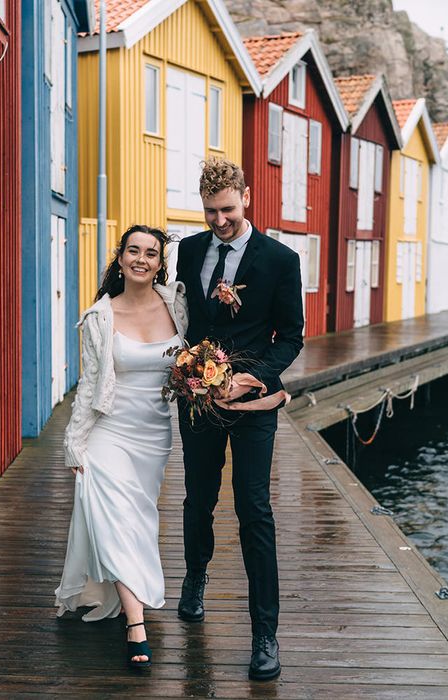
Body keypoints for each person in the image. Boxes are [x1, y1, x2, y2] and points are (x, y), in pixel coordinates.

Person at [175, 157, 304, 681]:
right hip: (198, 403)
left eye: (227, 209)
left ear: (246, 197)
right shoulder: (187, 251)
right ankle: (195, 578)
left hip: (251, 405)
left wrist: (256, 379)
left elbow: (292, 337)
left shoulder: (280, 259)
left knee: (255, 510)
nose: (218, 221)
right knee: (198, 498)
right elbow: (179, 317)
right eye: (210, 212)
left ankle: (265, 634)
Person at [55, 224, 187, 668]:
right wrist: (75, 444)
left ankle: (123, 598)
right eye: (133, 250)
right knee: (114, 517)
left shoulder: (178, 306)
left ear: (159, 264)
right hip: (109, 432)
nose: (141, 259)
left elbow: (193, 359)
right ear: (121, 257)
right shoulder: (100, 317)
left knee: (137, 521)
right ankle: (136, 623)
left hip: (154, 435)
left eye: (151, 253)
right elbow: (89, 384)